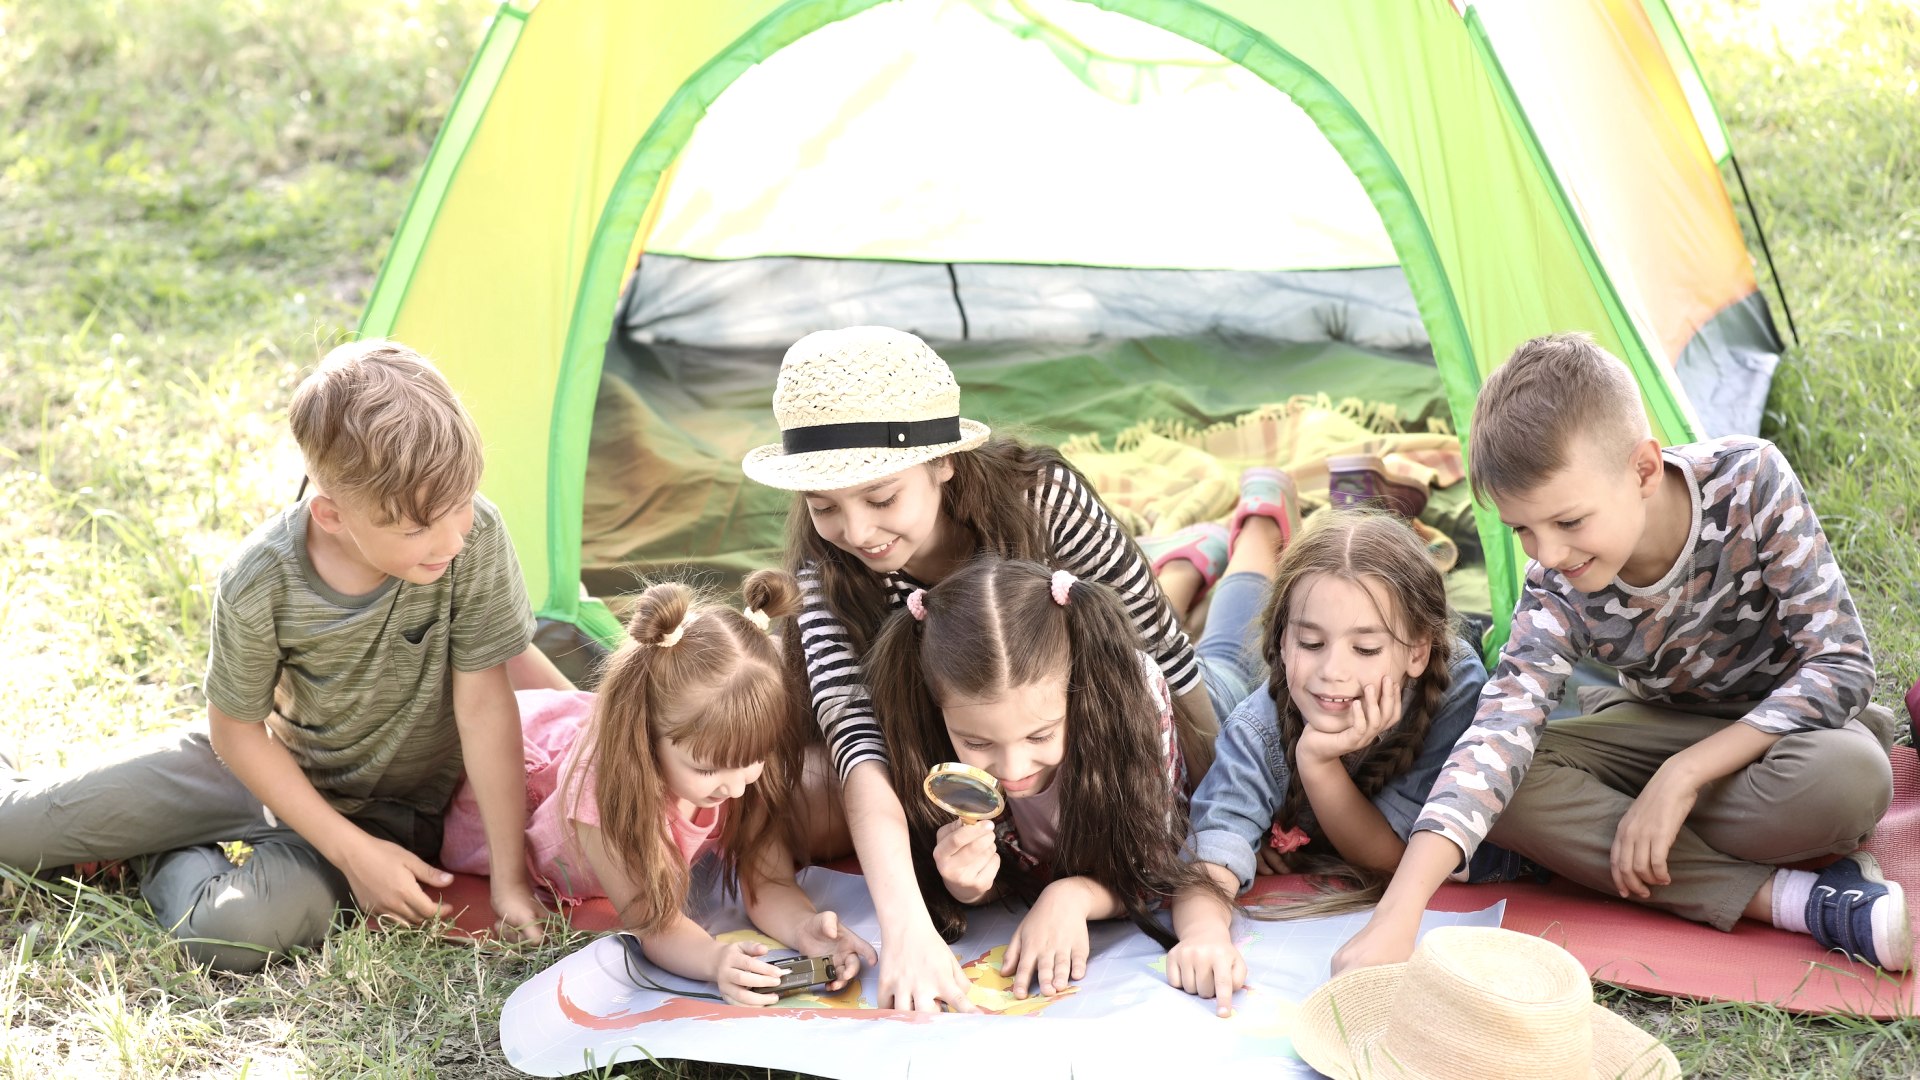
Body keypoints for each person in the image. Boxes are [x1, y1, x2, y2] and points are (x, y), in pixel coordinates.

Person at [740, 325, 1289, 1010]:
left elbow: (1161, 655)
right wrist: (906, 929)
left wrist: (1218, 806)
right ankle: (1184, 557)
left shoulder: (1044, 500)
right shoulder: (826, 570)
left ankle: (1258, 526)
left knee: (1229, 659)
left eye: (880, 499)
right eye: (825, 507)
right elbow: (857, 745)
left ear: (943, 462)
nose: (856, 532)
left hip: (1135, 698)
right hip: (1036, 728)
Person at [1334, 332, 1908, 976]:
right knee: (1505, 794)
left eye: (1569, 522)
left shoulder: (1750, 481)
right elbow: (1498, 735)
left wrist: (1682, 777)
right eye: (1522, 528)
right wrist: (1398, 915)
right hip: (1659, 728)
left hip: (1784, 736)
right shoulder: (1555, 583)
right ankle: (1798, 899)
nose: (1548, 553)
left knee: (1848, 779)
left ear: (1641, 469)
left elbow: (1843, 664)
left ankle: (1616, 838)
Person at [0, 339, 547, 970]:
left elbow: (486, 708)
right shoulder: (260, 577)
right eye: (417, 527)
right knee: (14, 830)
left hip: (385, 820)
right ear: (333, 515)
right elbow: (235, 733)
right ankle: (147, 822)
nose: (453, 537)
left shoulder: (475, 539)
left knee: (232, 930)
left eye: (460, 504)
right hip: (251, 770)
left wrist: (508, 881)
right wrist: (351, 854)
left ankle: (158, 851)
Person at [439, 573, 876, 1006]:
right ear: (648, 736)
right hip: (520, 781)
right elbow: (655, 924)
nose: (736, 785)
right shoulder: (606, 795)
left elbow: (769, 880)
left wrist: (805, 927)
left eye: (753, 760)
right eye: (707, 769)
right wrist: (715, 959)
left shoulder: (739, 758)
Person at [1165, 509, 1515, 1016]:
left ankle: (1255, 523)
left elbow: (1393, 856)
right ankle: (1249, 528)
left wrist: (1318, 763)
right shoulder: (1255, 726)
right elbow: (1212, 852)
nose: (1333, 671)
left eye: (1366, 647)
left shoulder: (1454, 686)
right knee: (1215, 661)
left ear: (1417, 651)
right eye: (1310, 642)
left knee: (1220, 659)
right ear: (1282, 642)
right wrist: (1203, 935)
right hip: (1231, 700)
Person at [863, 556, 1220, 999]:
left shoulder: (1132, 703)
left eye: (1040, 735)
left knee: (1226, 645)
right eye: (977, 743)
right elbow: (1002, 874)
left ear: (1077, 695)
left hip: (1218, 704)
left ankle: (1218, 549)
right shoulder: (921, 728)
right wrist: (969, 888)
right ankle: (1187, 569)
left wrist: (1074, 896)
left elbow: (1161, 867)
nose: (1012, 770)